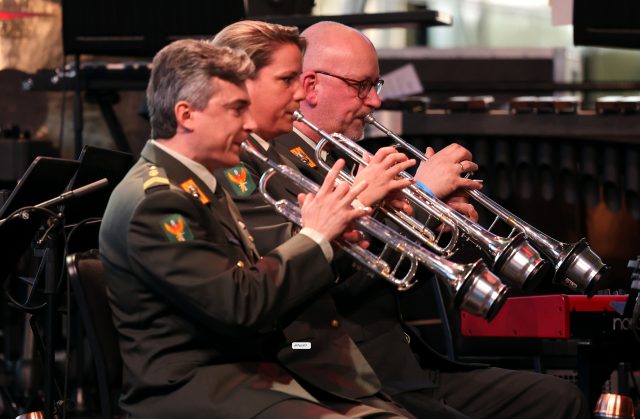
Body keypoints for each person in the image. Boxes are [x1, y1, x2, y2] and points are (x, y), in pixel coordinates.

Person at [215, 20, 590, 419]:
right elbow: (323, 281)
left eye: (374, 86)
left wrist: (436, 224)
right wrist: (420, 197)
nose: (375, 101)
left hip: (402, 361)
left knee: (561, 400)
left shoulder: (333, 155)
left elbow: (395, 276)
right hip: (341, 372)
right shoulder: (257, 165)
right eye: (362, 86)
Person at [98, 38, 388, 418]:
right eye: (236, 110)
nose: (249, 123)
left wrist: (333, 241)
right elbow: (241, 306)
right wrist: (315, 237)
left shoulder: (198, 182)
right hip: (197, 387)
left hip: (254, 367)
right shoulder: (159, 202)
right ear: (187, 115)